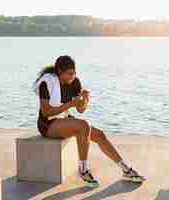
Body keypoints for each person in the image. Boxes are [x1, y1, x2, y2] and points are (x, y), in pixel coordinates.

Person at [34, 55, 145, 188]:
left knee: (100, 135)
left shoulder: (75, 82)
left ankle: (126, 169)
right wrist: (70, 104)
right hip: (48, 124)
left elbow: (81, 110)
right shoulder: (47, 83)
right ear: (59, 72)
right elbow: (46, 112)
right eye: (69, 74)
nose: (72, 76)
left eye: (74, 73)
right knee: (84, 126)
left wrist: (85, 99)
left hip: (64, 119)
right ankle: (83, 170)